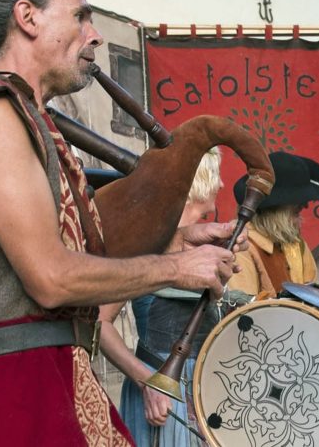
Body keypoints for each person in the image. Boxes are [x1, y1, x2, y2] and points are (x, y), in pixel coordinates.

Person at [0, 0, 245, 446]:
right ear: (27, 17)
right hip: (12, 395)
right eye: (79, 16)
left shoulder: (17, 114)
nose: (92, 34)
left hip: (35, 381)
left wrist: (179, 241)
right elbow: (51, 278)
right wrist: (176, 269)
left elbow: (68, 247)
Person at [99, 147, 224, 446]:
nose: (221, 185)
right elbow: (99, 323)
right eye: (217, 175)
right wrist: (146, 381)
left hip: (205, 391)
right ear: (200, 179)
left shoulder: (205, 240)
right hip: (161, 392)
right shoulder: (146, 240)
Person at [228, 151, 319, 297]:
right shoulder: (242, 248)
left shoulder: (296, 244)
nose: (306, 206)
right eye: (297, 204)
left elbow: (313, 301)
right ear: (274, 208)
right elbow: (241, 314)